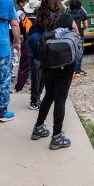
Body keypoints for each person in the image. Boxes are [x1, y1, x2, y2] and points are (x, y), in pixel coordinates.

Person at [31, 11, 76, 150]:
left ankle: (38, 128)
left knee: (49, 96)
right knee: (60, 99)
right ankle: (57, 137)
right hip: (65, 67)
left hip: (48, 65)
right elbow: (76, 31)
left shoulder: (51, 20)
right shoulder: (67, 17)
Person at [27, 0, 61, 110]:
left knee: (37, 75)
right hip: (46, 48)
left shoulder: (40, 13)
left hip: (36, 46)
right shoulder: (57, 15)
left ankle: (35, 99)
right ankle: (35, 99)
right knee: (41, 75)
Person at [15, 0, 39, 93]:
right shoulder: (41, 18)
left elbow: (27, 31)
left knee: (23, 66)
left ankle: (19, 86)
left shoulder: (27, 19)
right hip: (39, 43)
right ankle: (36, 87)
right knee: (37, 67)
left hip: (28, 43)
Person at [62, 0, 88, 78]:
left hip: (69, 35)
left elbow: (61, 3)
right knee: (79, 52)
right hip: (79, 35)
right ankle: (77, 70)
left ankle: (70, 70)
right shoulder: (82, 13)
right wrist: (82, 29)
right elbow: (86, 25)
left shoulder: (67, 11)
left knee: (70, 52)